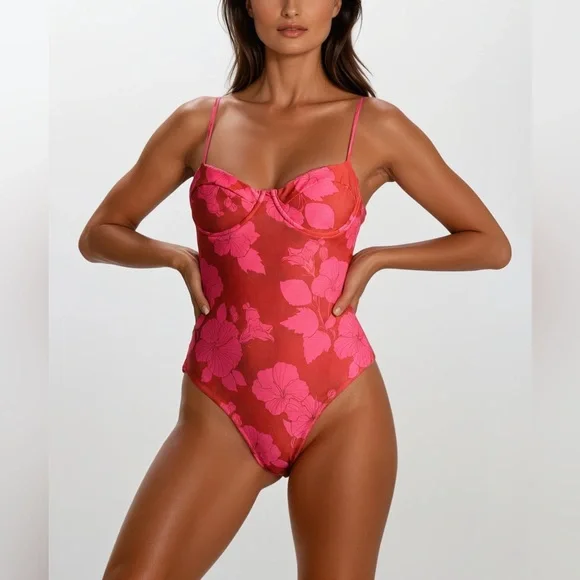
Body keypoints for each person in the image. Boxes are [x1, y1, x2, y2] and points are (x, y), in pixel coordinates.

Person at [78, 1, 511, 578]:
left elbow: (489, 244)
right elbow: (99, 234)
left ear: (337, 5)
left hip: (340, 400)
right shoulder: (199, 123)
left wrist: (378, 258)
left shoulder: (374, 125)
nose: (290, 7)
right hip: (220, 400)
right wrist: (175, 257)